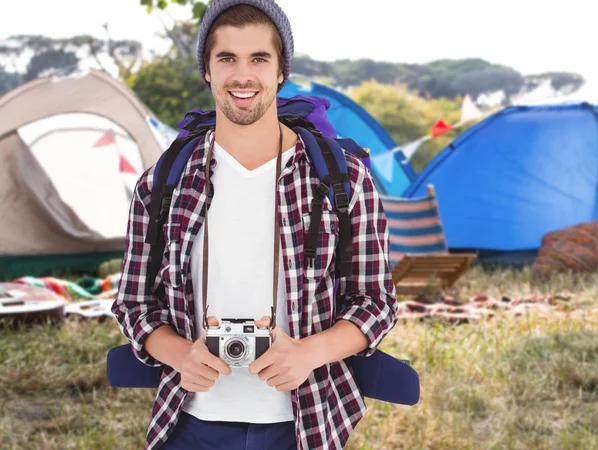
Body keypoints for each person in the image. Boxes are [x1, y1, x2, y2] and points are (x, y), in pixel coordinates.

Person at [111, 1, 398, 449]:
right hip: (190, 421)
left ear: (282, 70)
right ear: (206, 69)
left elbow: (376, 302)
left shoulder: (343, 178)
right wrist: (180, 355)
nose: (242, 76)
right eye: (226, 58)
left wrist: (308, 353)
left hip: (306, 421)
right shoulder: (162, 182)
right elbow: (133, 303)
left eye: (259, 58)